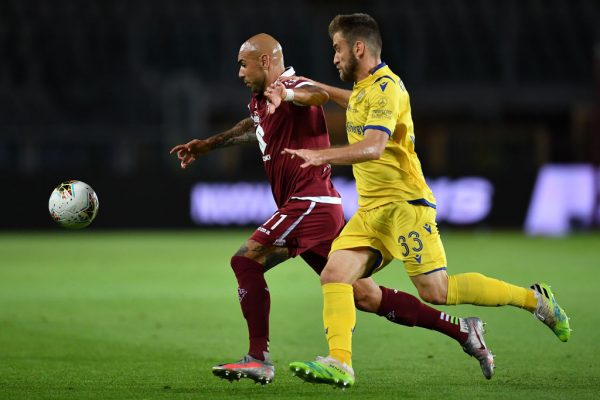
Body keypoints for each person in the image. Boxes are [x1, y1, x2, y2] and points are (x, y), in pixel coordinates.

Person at [170, 33, 494, 386]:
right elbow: (255, 126)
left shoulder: (295, 85)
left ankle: (258, 358)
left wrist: (288, 94)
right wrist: (209, 145)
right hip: (317, 210)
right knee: (365, 295)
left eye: (243, 65)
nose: (239, 73)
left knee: (245, 261)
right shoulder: (260, 100)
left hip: (310, 203)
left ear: (265, 61)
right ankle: (463, 330)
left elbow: (317, 96)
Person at [284, 14, 571, 389]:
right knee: (335, 275)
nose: (334, 57)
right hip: (371, 212)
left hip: (405, 205)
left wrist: (320, 156)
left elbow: (373, 147)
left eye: (338, 49)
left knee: (437, 291)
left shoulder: (387, 88)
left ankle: (534, 300)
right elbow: (352, 100)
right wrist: (308, 87)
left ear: (359, 48)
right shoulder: (366, 89)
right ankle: (340, 362)